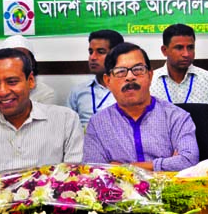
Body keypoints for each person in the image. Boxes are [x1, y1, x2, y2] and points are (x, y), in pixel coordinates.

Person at [0, 48, 83, 184]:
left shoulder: (66, 120)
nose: (2, 92)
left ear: (30, 81)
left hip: (46, 203)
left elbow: (75, 181)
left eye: (12, 82)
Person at [84, 42, 199, 171]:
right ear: (108, 81)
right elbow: (94, 172)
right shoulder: (97, 123)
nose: (130, 77)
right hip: (119, 191)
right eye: (121, 72)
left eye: (138, 70)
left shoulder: (176, 117)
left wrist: (124, 168)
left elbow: (189, 161)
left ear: (150, 76)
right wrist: (167, 164)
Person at [149, 24, 208, 172]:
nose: (186, 53)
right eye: (179, 48)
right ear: (164, 51)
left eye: (190, 47)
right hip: (165, 161)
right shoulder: (150, 83)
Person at [67, 30, 125, 127]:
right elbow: (66, 126)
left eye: (100, 52)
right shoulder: (78, 91)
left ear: (117, 55)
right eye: (90, 52)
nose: (92, 57)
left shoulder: (129, 90)